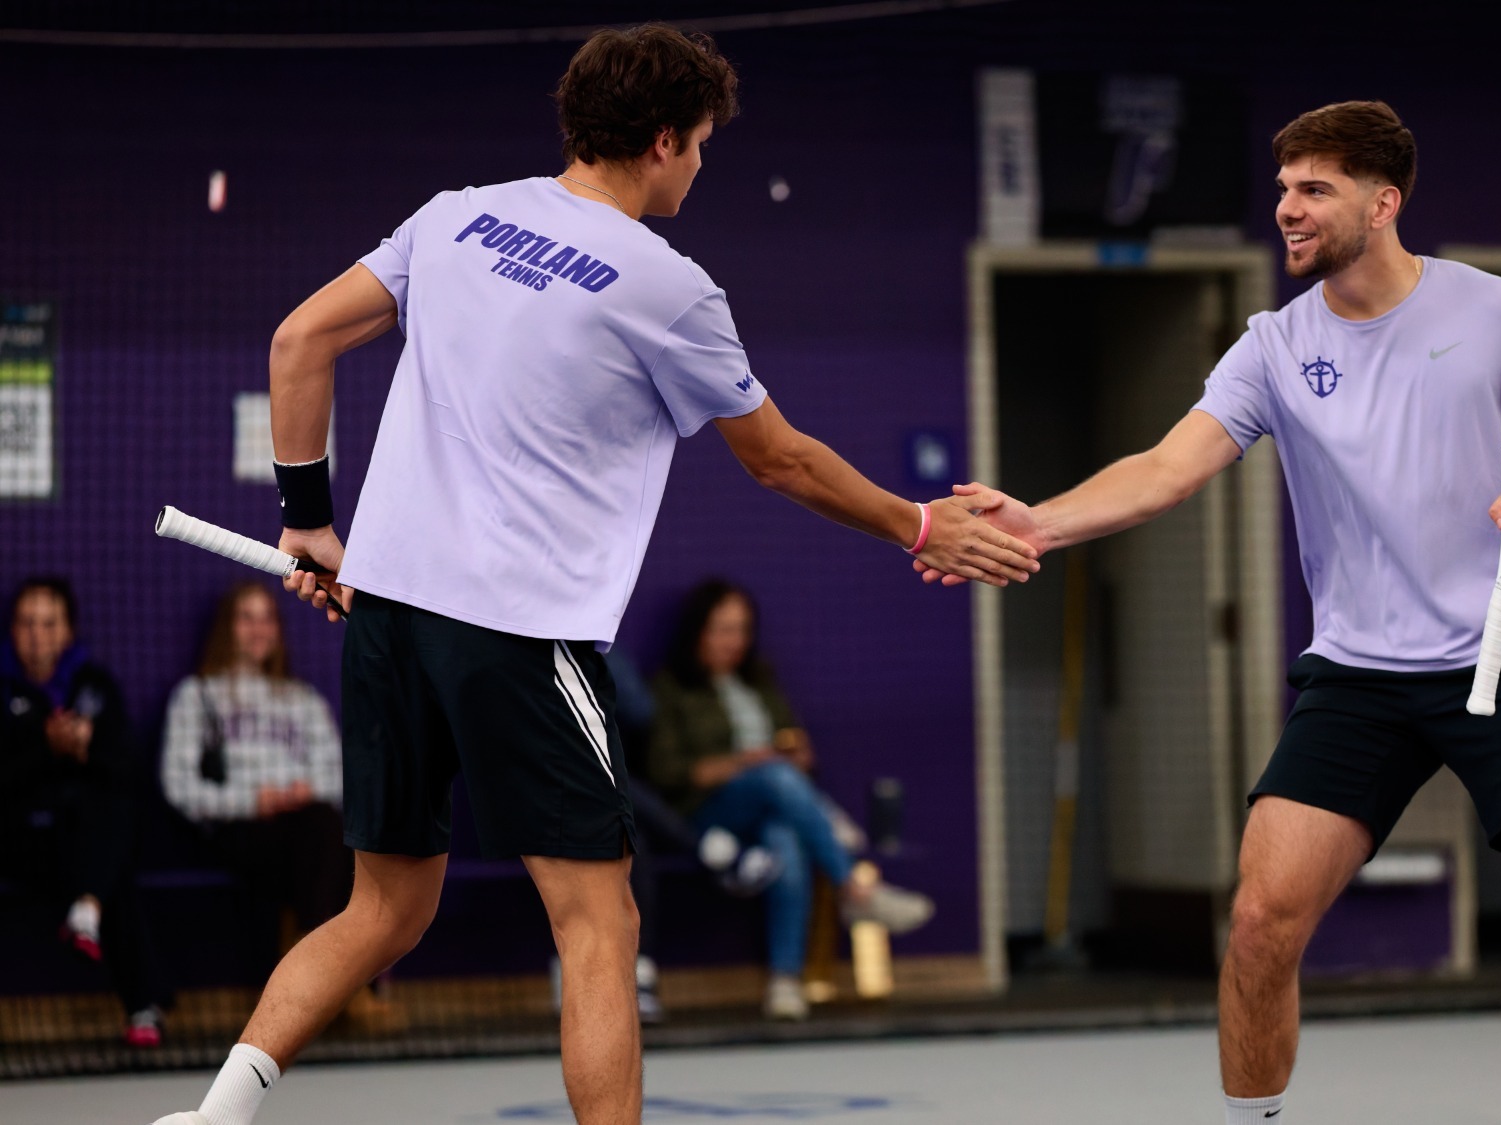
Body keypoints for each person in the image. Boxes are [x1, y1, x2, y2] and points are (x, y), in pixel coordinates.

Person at [151, 22, 1036, 1125]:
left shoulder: (452, 216)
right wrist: (918, 525)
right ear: (662, 140)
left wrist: (308, 530)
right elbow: (781, 461)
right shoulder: (668, 287)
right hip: (521, 636)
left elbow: (297, 343)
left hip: (388, 616)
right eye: (702, 143)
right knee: (599, 924)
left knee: (382, 907)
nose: (704, 166)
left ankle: (215, 1114)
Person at [919, 101, 1501, 1125]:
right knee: (1258, 922)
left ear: (1382, 203)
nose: (1285, 208)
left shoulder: (1496, 311)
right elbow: (1165, 470)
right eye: (1282, 187)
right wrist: (1036, 523)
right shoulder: (1271, 346)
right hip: (1357, 677)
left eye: (1312, 189)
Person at [643, 579, 925, 1021]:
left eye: (741, 629)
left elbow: (793, 746)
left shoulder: (760, 679)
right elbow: (670, 775)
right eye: (721, 629)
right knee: (774, 777)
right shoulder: (669, 687)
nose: (733, 641)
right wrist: (749, 763)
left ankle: (785, 983)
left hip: (774, 804)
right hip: (705, 816)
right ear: (696, 631)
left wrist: (797, 756)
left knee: (785, 839)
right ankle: (852, 886)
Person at [0, 577, 172, 1047]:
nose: (37, 634)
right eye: (27, 623)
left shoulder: (95, 685)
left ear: (67, 631)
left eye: (48, 623)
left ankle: (87, 909)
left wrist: (86, 751)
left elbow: (127, 770)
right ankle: (144, 1002)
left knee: (112, 817)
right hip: (23, 841)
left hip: (88, 836)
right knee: (108, 872)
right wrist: (46, 746)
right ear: (12, 630)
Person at [160, 582, 349, 974]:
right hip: (238, 828)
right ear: (227, 627)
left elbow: (338, 775)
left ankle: (311, 969)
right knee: (324, 841)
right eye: (246, 618)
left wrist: (305, 790)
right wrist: (252, 801)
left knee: (332, 834)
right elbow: (179, 785)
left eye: (266, 619)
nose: (258, 629)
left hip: (305, 822)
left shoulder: (302, 698)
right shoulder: (197, 696)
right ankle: (329, 975)